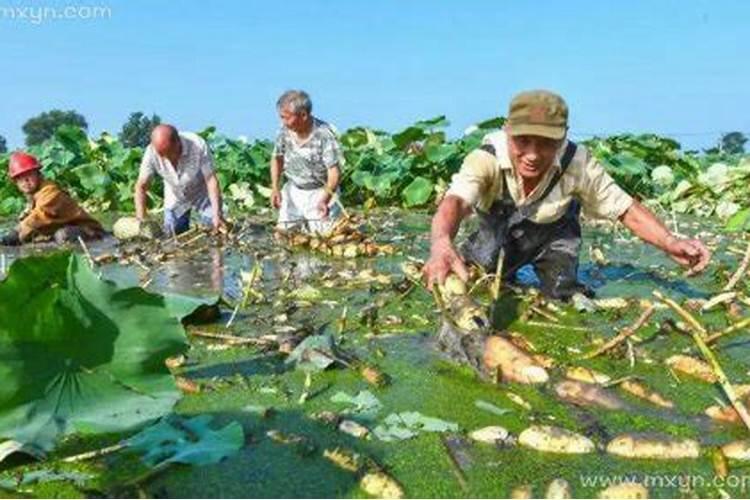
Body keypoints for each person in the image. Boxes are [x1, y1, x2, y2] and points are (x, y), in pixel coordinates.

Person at [422, 90, 712, 382]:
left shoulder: (578, 162)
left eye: (547, 143)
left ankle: (556, 280)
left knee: (563, 293)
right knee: (480, 281)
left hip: (554, 237)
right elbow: (456, 202)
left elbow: (626, 209)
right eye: (522, 141)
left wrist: (669, 242)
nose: (533, 155)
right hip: (498, 237)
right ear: (507, 130)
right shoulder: (486, 158)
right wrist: (441, 243)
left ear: (563, 137)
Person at [270, 90, 344, 234]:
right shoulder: (284, 131)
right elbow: (276, 158)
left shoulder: (324, 135)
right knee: (282, 235)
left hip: (320, 192)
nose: (283, 122)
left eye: (286, 118)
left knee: (325, 240)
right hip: (293, 190)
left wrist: (325, 199)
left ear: (303, 115)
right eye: (281, 118)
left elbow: (334, 173)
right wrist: (275, 187)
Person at [134, 124, 227, 235]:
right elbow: (141, 187)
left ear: (178, 143)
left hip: (201, 192)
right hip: (175, 195)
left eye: (169, 153)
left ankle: (219, 219)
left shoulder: (197, 145)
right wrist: (141, 219)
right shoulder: (151, 152)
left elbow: (211, 179)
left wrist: (217, 214)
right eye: (161, 155)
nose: (166, 158)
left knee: (215, 228)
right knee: (172, 232)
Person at [0, 152, 104, 246]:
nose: (25, 181)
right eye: (20, 178)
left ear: (38, 174)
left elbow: (38, 217)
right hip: (68, 229)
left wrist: (16, 233)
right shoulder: (34, 197)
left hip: (91, 232)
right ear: (16, 183)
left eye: (29, 175)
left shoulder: (50, 192)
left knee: (63, 235)